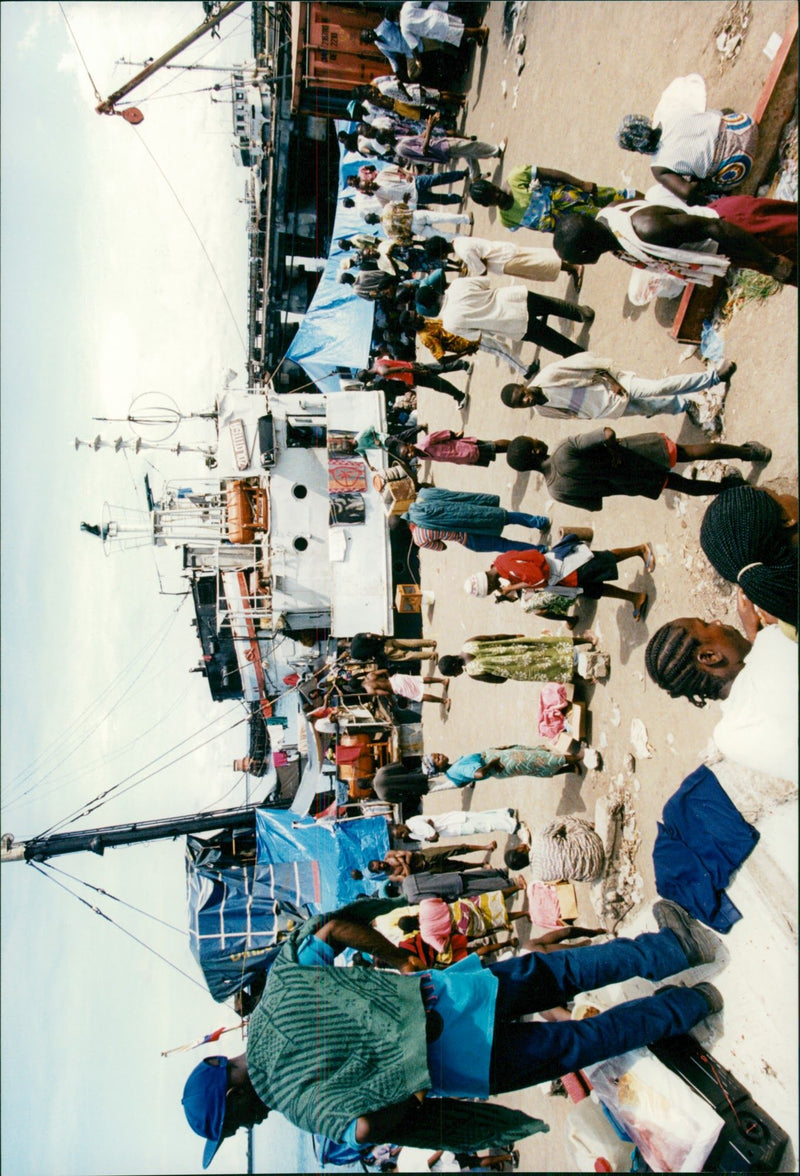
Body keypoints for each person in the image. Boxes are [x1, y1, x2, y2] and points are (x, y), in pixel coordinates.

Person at [181, 898, 723, 1157]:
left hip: (465, 1066)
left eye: (234, 1124)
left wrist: (412, 1103)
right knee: (564, 973)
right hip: (451, 996)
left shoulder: (301, 1107)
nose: (246, 1127)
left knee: (579, 1044)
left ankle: (690, 1005)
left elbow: (366, 1130)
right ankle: (673, 948)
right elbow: (335, 928)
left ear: (232, 1093)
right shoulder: (277, 990)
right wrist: (399, 961)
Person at [644, 610, 797, 784]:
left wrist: (756, 638)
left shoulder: (727, 738)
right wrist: (759, 636)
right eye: (707, 625)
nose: (717, 622)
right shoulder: (774, 644)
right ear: (710, 657)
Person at [552, 196, 797, 286]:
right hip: (734, 246)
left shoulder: (646, 229)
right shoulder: (609, 226)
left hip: (741, 228)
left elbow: (714, 227)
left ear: (587, 250)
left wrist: (771, 261)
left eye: (578, 258)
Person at [505, 429, 772, 512]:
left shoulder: (556, 491)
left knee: (680, 485)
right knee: (688, 452)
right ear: (536, 451)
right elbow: (607, 433)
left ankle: (730, 488)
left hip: (632, 484)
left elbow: (595, 505)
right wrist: (614, 455)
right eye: (533, 442)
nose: (537, 439)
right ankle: (749, 452)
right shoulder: (563, 449)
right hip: (637, 453)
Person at [616, 74, 759, 203]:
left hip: (739, 165)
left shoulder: (658, 167)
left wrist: (698, 183)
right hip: (745, 127)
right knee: (720, 115)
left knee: (702, 185)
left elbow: (687, 192)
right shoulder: (666, 111)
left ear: (635, 148)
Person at [499, 354, 736, 422]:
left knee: (658, 387)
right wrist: (592, 413)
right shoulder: (542, 411)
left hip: (616, 386)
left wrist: (612, 383)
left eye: (523, 395)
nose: (526, 401)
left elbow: (589, 366)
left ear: (524, 386)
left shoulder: (548, 375)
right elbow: (570, 415)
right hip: (606, 408)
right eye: (521, 403)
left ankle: (714, 377)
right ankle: (685, 405)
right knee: (649, 408)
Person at [464, 540, 654, 621]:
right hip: (563, 579)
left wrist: (512, 587)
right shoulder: (499, 565)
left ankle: (639, 549)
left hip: (566, 568)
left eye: (491, 590)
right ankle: (635, 597)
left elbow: (538, 578)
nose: (495, 589)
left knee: (605, 560)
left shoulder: (506, 567)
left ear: (489, 584)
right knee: (596, 590)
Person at [699, 484, 798, 633]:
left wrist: (756, 635)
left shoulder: (787, 615)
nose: (784, 494)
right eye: (777, 493)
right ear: (787, 520)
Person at [437, 275, 593, 361]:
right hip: (513, 298)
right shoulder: (456, 285)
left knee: (549, 339)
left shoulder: (449, 323)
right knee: (551, 305)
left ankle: (580, 356)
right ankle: (582, 313)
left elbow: (476, 335)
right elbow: (485, 282)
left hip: (508, 323)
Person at [469, 169, 637, 234]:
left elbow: (552, 175)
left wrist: (581, 184)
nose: (498, 195)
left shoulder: (516, 177)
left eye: (495, 191)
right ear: (487, 205)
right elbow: (535, 227)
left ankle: (651, 201)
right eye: (493, 198)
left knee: (618, 198)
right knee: (609, 226)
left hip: (572, 197)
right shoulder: (505, 220)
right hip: (569, 222)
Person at [403, 487, 549, 554]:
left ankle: (540, 550)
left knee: (504, 545)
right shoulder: (423, 496)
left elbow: (441, 547)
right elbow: (449, 495)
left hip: (467, 538)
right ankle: (541, 521)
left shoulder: (419, 538)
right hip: (472, 515)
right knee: (507, 517)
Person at [407, 307, 539, 379]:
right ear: (413, 325)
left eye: (416, 314)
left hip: (467, 329)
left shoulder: (425, 322)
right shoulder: (426, 337)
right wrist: (463, 353)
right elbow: (441, 359)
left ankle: (528, 323)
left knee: (498, 326)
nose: (419, 316)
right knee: (502, 350)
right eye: (415, 317)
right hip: (471, 341)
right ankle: (524, 370)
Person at [437, 632, 599, 685]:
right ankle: (588, 639)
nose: (456, 675)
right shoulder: (468, 644)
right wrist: (514, 636)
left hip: (518, 667)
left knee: (548, 668)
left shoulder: (473, 672)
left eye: (453, 673)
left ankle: (587, 677)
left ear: (454, 667)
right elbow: (494, 637)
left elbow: (499, 680)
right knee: (549, 646)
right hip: (517, 647)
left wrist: (506, 667)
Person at [452, 233, 584, 288]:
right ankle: (570, 266)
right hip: (503, 249)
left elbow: (482, 271)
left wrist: (476, 267)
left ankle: (574, 267)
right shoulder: (458, 241)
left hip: (502, 261)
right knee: (536, 258)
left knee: (539, 265)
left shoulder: (464, 252)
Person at [443, 744, 588, 786]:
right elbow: (479, 773)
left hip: (499, 766)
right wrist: (491, 763)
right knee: (539, 759)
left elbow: (461, 784)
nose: (438, 755)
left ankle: (570, 767)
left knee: (535, 768)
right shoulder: (457, 768)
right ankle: (577, 757)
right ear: (437, 767)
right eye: (436, 759)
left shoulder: (451, 773)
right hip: (499, 763)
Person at [396, 114, 506, 168]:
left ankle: (475, 176)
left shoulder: (400, 140)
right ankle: (496, 151)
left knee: (467, 152)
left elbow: (420, 138)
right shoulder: (401, 148)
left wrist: (430, 125)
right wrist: (429, 128)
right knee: (471, 147)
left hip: (440, 144)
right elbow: (423, 150)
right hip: (441, 148)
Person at [399, 2, 488, 60]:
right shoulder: (406, 8)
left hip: (434, 29)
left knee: (459, 33)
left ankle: (481, 31)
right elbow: (419, 2)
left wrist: (417, 60)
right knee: (458, 26)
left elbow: (413, 45)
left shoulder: (404, 29)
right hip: (435, 15)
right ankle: (477, 36)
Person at [388, 430, 509, 468]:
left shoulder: (426, 441)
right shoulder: (421, 456)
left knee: (494, 446)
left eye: (408, 451)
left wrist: (455, 435)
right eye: (407, 456)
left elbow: (445, 434)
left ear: (409, 444)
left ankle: (515, 445)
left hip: (465, 448)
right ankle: (514, 450)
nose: (410, 454)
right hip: (462, 459)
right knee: (492, 453)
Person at [395, 808, 520, 843]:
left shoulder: (413, 824)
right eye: (401, 837)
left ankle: (512, 825)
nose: (403, 834)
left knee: (484, 825)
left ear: (399, 825)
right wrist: (431, 834)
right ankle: (504, 813)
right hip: (452, 829)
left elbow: (434, 836)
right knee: (479, 818)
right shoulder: (412, 834)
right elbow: (432, 839)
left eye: (400, 832)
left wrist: (431, 834)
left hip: (454, 822)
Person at [369, 202, 471, 243]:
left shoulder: (387, 232)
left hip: (414, 229)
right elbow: (403, 205)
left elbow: (401, 239)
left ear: (374, 224)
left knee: (441, 235)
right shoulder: (387, 208)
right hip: (414, 216)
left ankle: (463, 239)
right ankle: (466, 219)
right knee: (442, 217)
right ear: (374, 214)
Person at [362, 667, 451, 710]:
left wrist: (391, 702)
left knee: (419, 696)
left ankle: (444, 701)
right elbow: (385, 670)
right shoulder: (369, 675)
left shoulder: (370, 690)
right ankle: (443, 680)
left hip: (397, 687)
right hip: (396, 678)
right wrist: (390, 679)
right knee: (420, 679)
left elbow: (386, 693)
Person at [349, 632, 438, 665]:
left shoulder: (354, 655)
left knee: (409, 655)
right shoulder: (356, 637)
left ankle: (432, 655)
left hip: (384, 652)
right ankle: (431, 643)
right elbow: (369, 635)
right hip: (386, 642)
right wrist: (381, 636)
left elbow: (368, 659)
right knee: (410, 642)